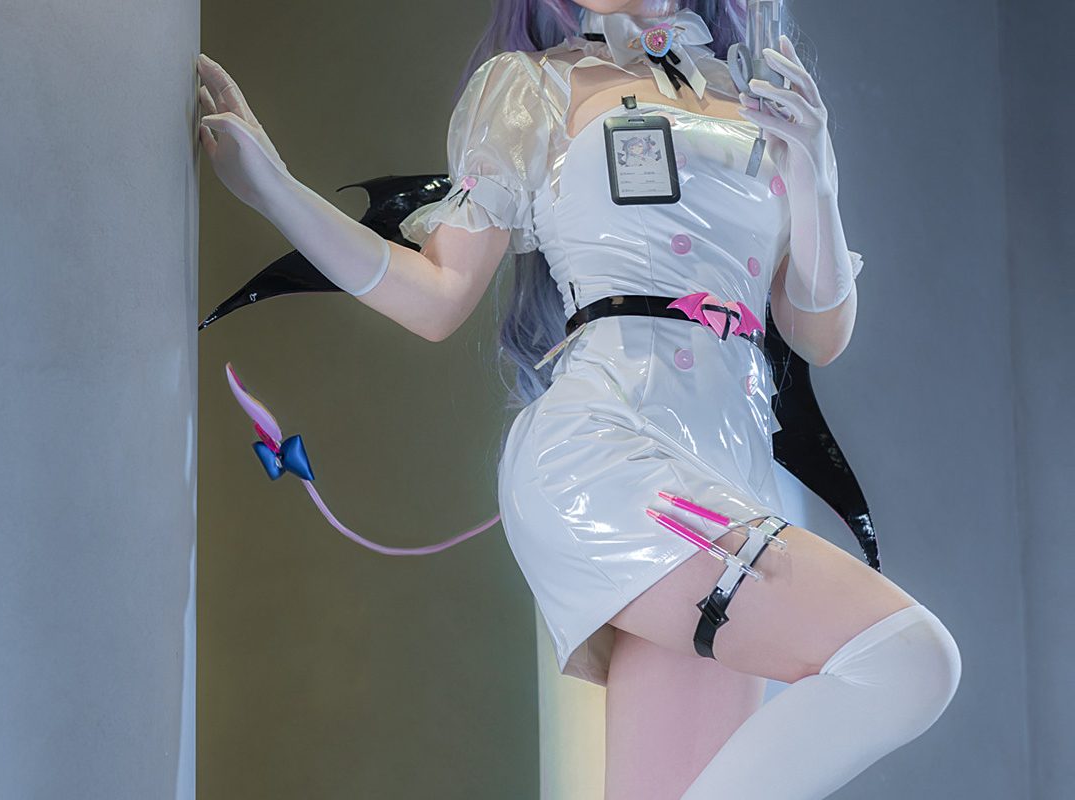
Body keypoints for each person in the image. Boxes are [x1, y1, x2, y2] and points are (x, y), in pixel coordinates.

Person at [196, 1, 961, 797]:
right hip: (605, 456)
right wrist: (273, 188)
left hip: (728, 473)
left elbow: (817, 332)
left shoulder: (757, 96)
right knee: (908, 660)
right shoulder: (532, 88)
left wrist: (816, 171)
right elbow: (438, 294)